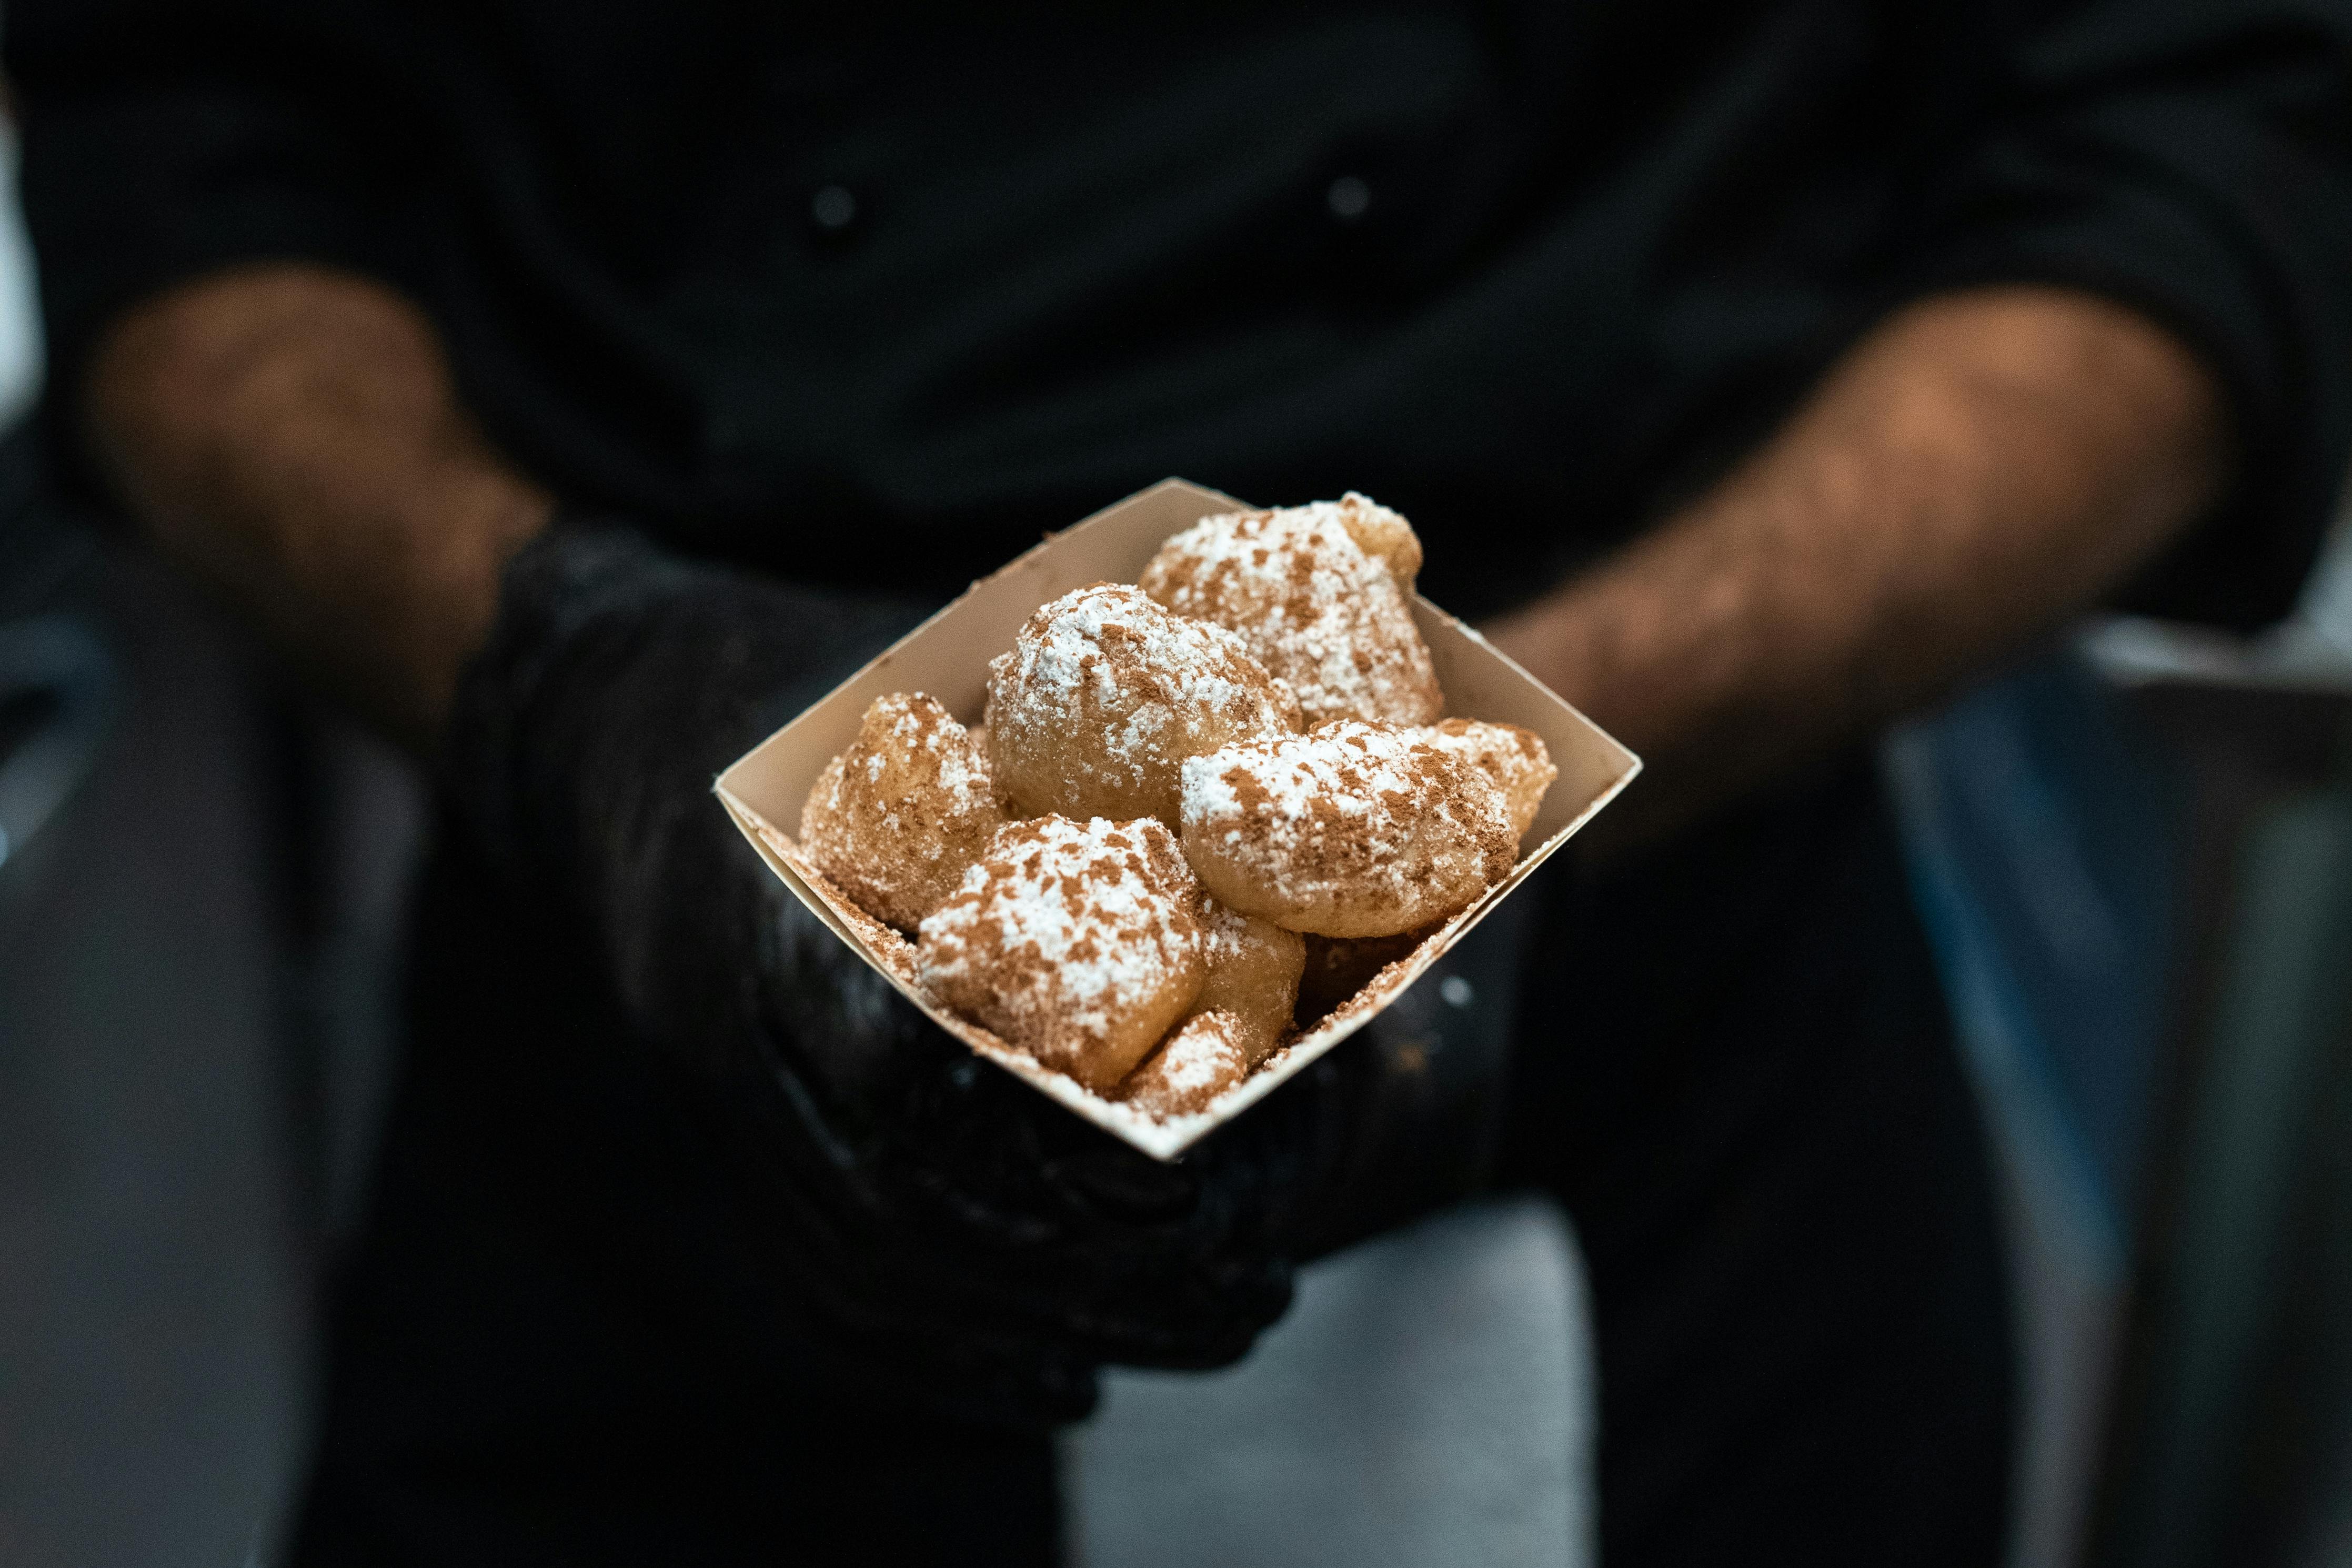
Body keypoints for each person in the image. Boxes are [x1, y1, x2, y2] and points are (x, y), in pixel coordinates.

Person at [11, 2, 2349, 1563]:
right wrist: (574, 678)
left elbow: (2178, 168)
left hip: (1632, 1047)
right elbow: (194, 161)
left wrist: (1510, 759)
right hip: (640, 1038)